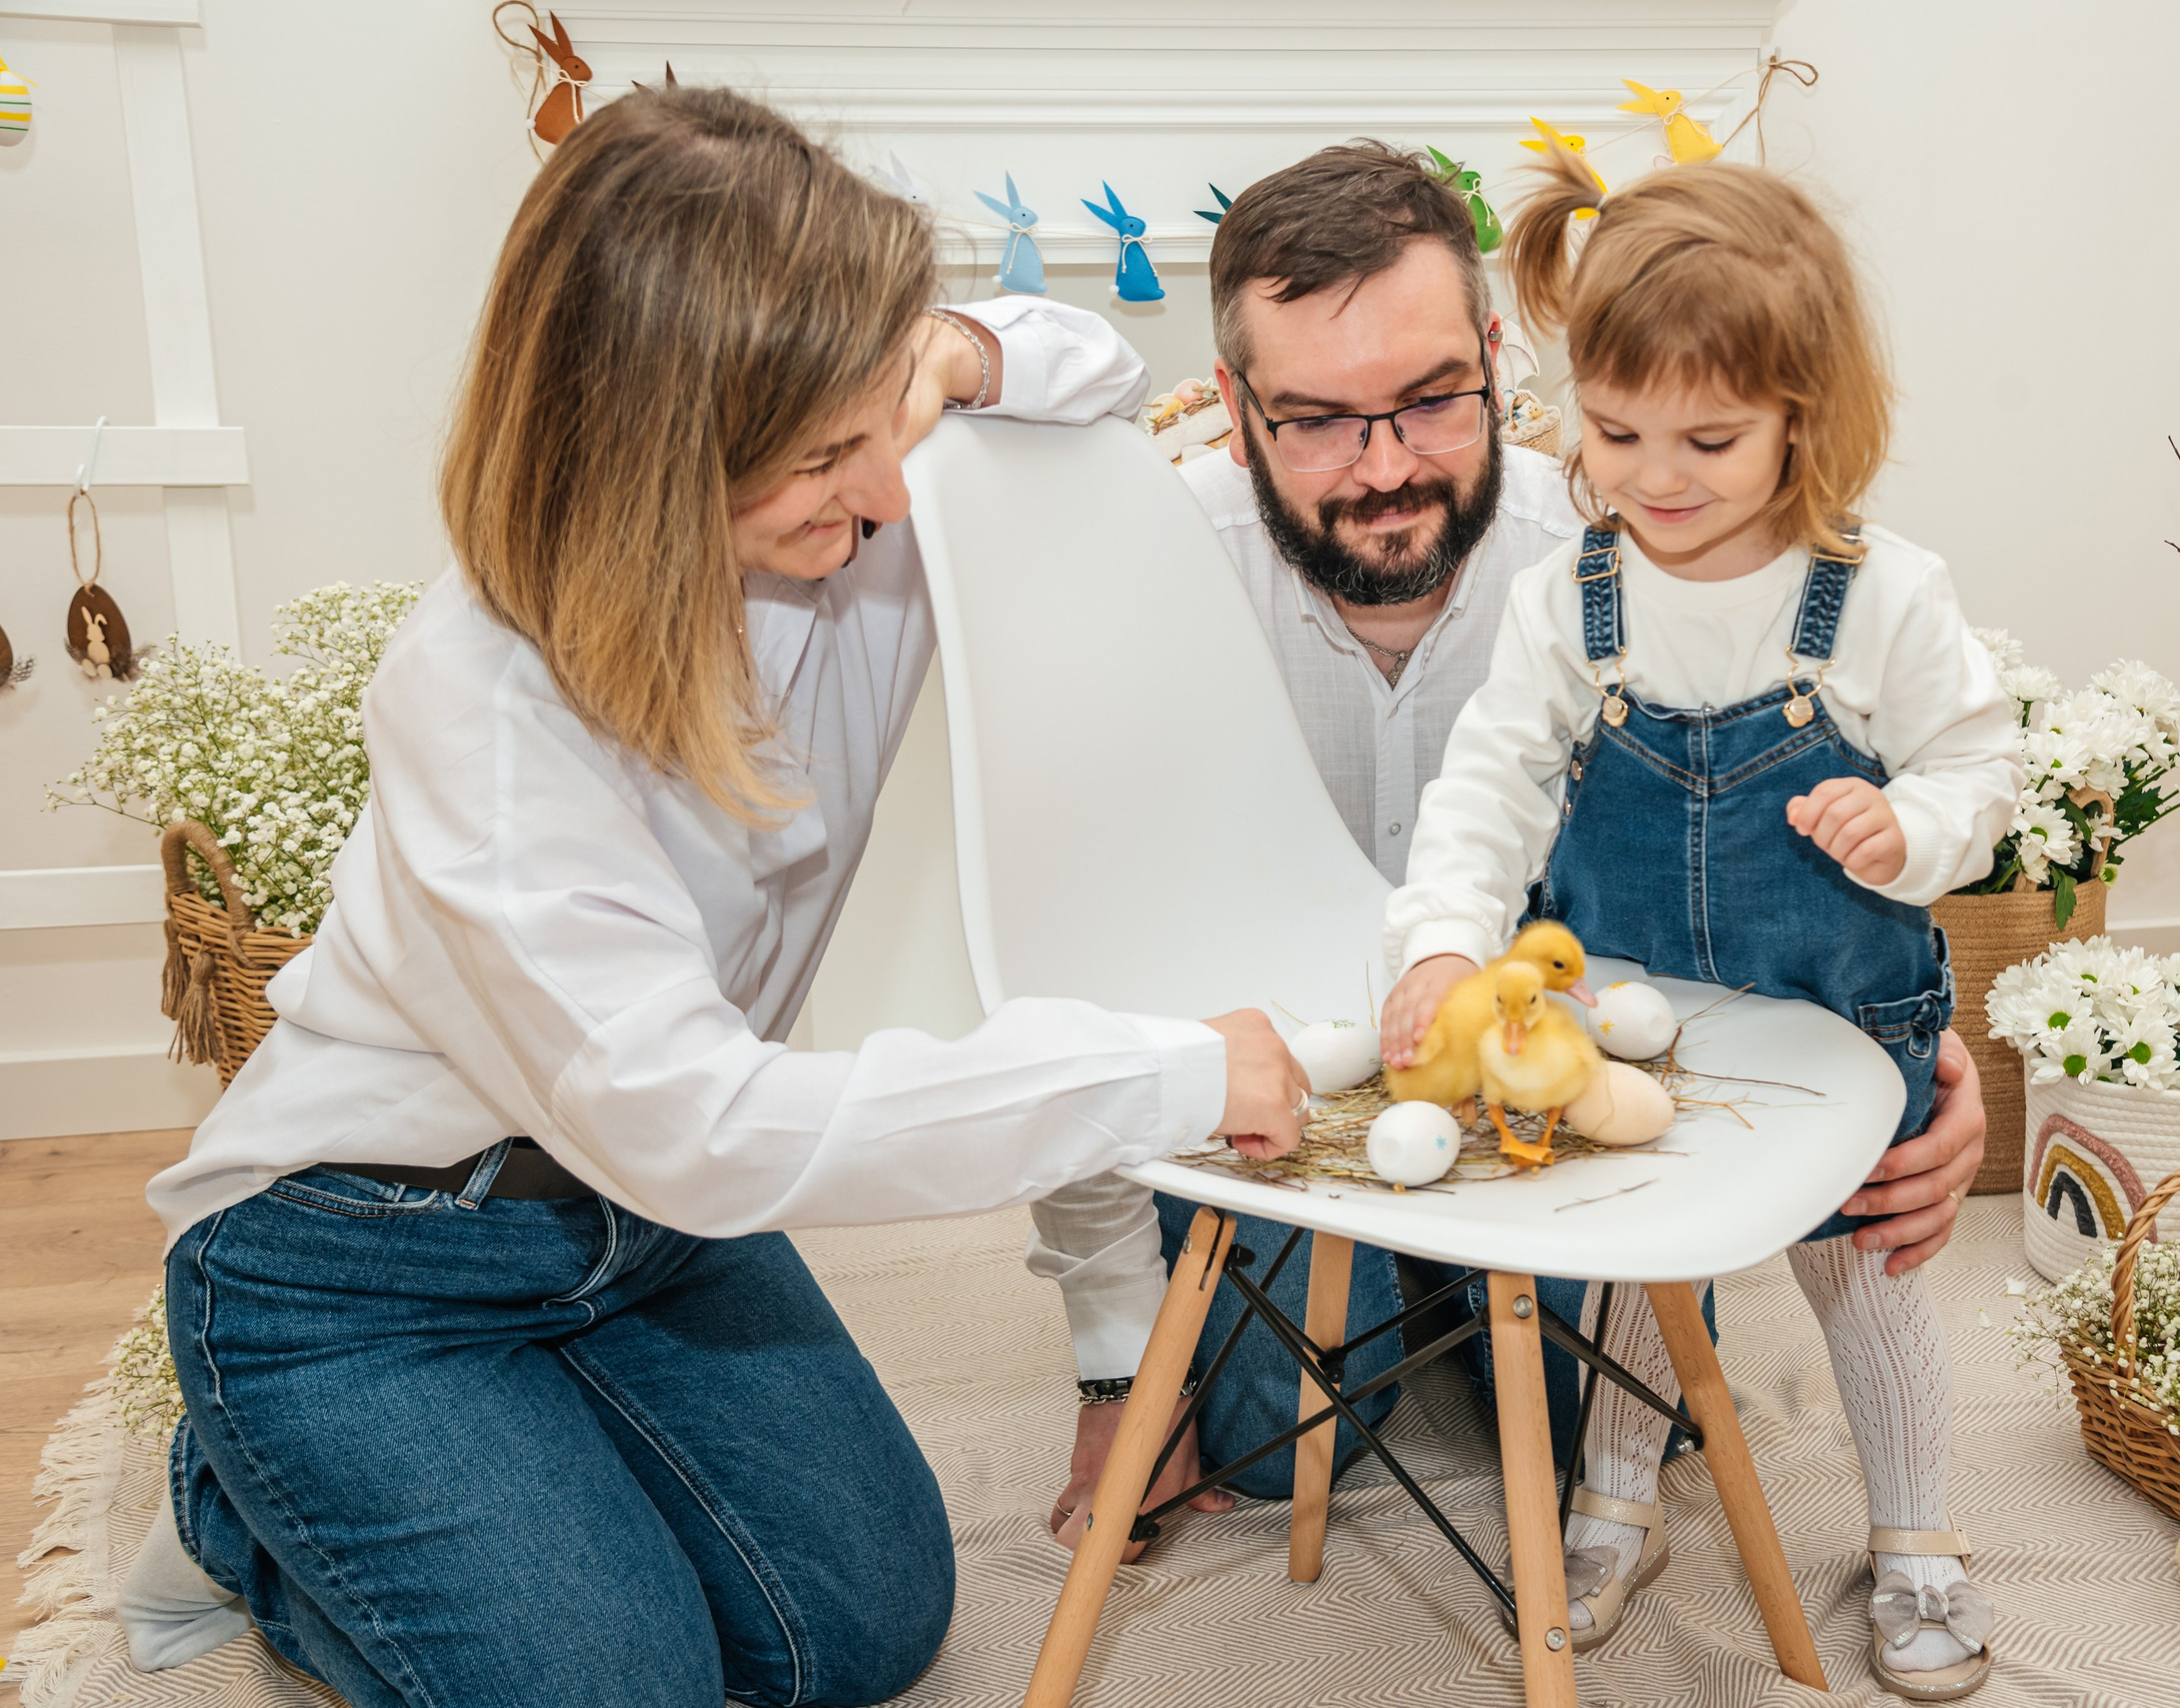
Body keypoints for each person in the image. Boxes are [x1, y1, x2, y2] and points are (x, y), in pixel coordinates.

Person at [116, 88, 1306, 1708]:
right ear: (648, 462)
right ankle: (233, 1495)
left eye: (885, 414)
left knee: (869, 1626)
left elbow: (1098, 368)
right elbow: (713, 1125)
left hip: (646, 1229)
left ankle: (532, 1461)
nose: (888, 491)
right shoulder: (485, 705)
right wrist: (1159, 1069)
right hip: (371, 1254)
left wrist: (944, 357)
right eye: (825, 456)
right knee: (624, 1683)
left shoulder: (862, 491)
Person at [1033, 140, 1992, 1620]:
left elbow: (1956, 768)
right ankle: (1426, 1350)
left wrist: (1927, 1036)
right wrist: (1114, 1352)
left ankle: (1900, 1540)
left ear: (1497, 362)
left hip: (1612, 1046)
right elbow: (1075, 940)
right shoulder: (1187, 573)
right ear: (1230, 409)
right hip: (1307, 1070)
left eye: (1429, 398)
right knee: (1287, 1446)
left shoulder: (1679, 543)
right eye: (1317, 421)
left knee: (1643, 1360)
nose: (1389, 462)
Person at [1379, 144, 2020, 1695]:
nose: (1655, 474)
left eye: (1711, 437)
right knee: (1637, 1276)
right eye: (1615, 431)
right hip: (1630, 1022)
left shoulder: (1881, 596)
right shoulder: (1566, 601)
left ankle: (1919, 1534)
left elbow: (1980, 766)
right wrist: (1443, 945)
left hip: (1840, 1018)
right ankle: (1615, 1502)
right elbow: (1490, 786)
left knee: (1863, 1287)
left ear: (1806, 413)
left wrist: (1912, 826)